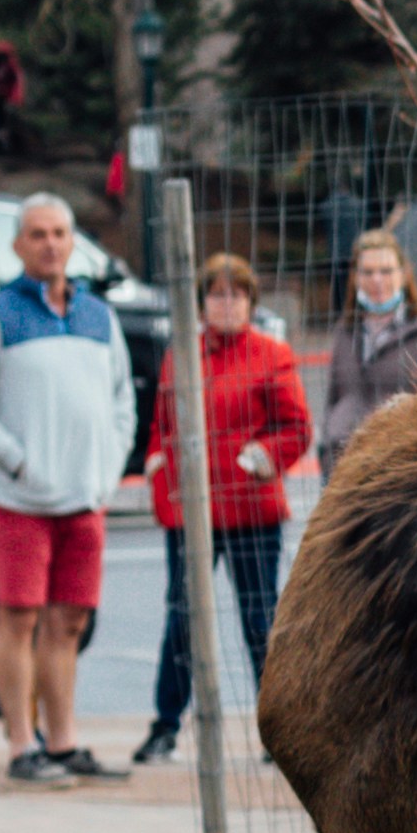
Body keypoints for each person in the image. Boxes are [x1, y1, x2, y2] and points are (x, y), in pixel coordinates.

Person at [0, 194, 135, 787]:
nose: (50, 244)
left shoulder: (100, 317)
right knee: (19, 620)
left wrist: (106, 469)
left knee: (69, 623)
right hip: (17, 501)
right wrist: (16, 460)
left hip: (84, 498)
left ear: (73, 241)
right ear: (18, 245)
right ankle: (21, 746)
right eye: (37, 234)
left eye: (59, 233)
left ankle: (64, 741)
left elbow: (122, 400)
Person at [139, 252, 310, 765]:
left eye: (236, 294)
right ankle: (165, 725)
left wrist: (261, 458)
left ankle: (280, 733)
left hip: (250, 509)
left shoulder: (271, 354)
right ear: (203, 301)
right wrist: (155, 461)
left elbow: (296, 428)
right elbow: (163, 423)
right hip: (190, 512)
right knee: (183, 617)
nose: (227, 303)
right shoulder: (182, 355)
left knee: (260, 618)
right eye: (217, 294)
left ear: (252, 302)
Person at [320, 227, 417, 480]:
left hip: (403, 472)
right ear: (355, 277)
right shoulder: (344, 331)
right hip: (343, 469)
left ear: (404, 274)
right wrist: (328, 443)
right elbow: (333, 399)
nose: (377, 280)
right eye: (368, 272)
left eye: (386, 271)